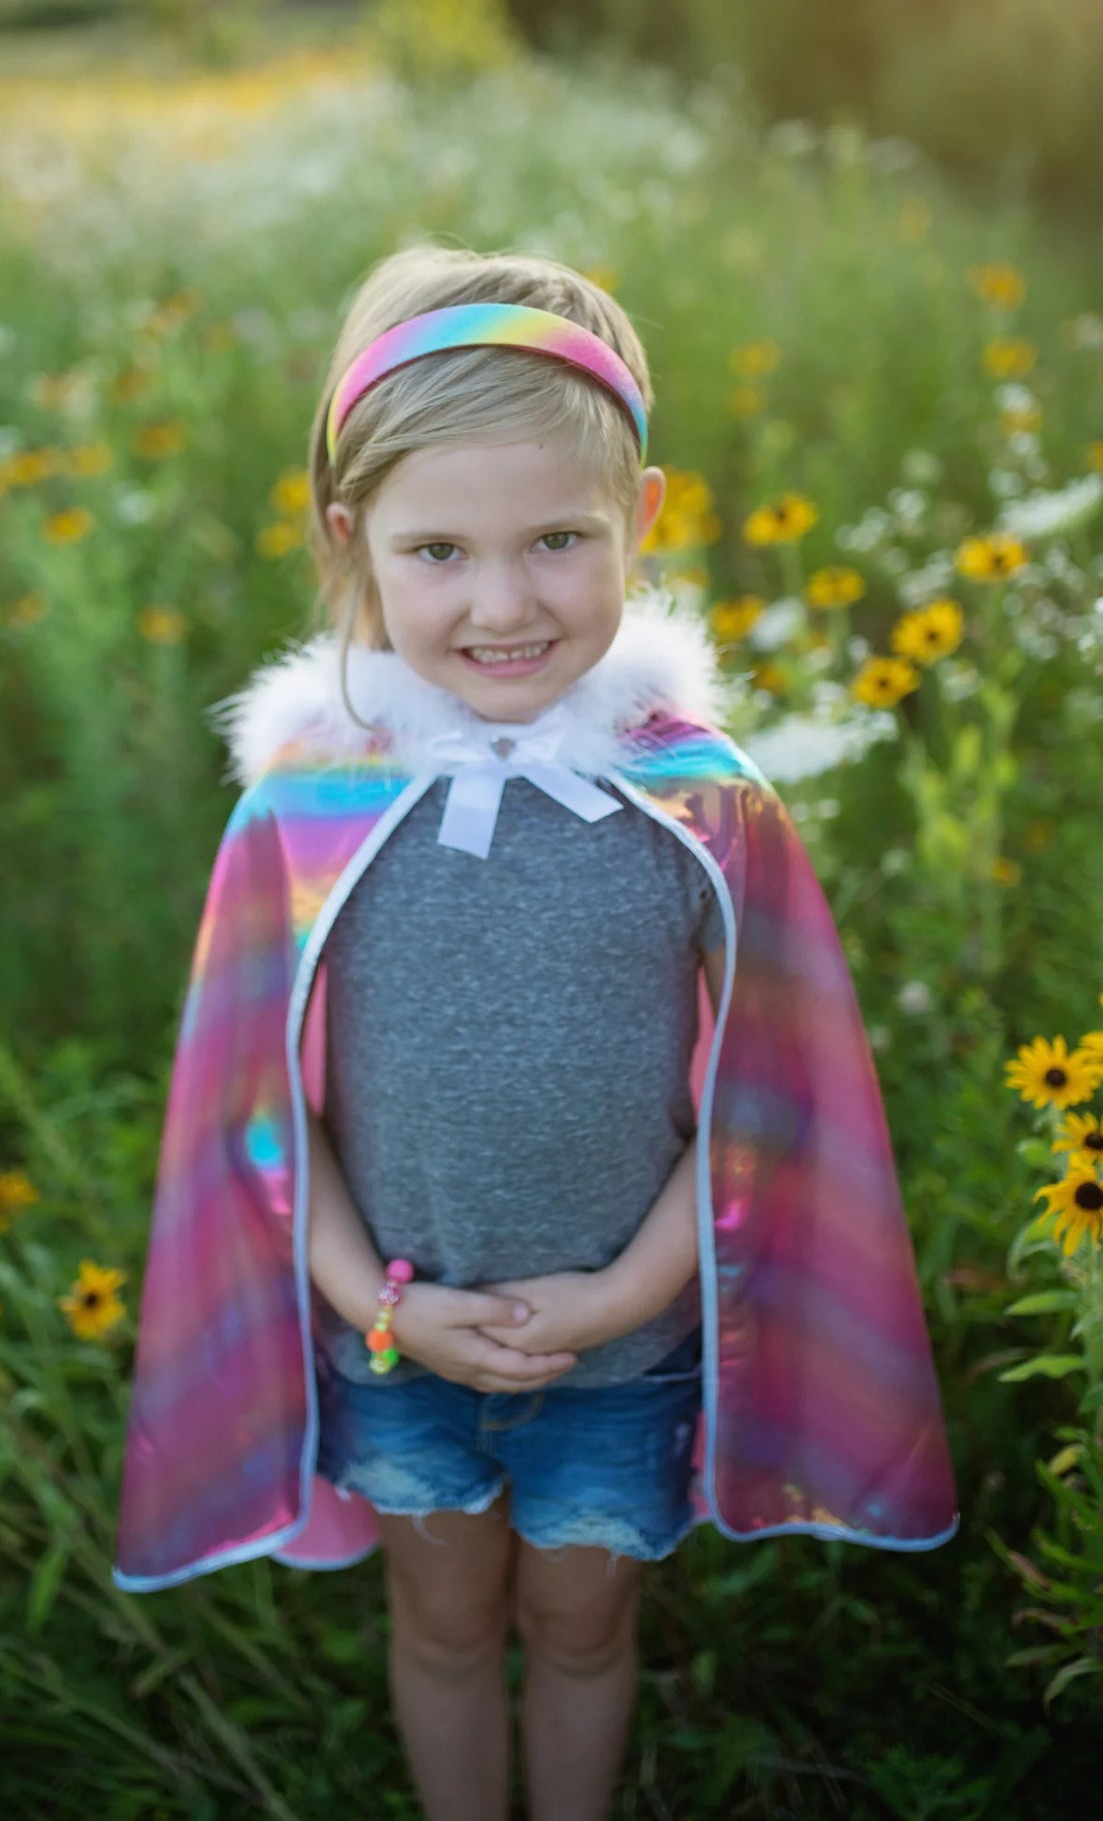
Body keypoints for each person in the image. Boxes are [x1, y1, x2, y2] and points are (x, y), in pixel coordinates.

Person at [113, 244, 958, 1821]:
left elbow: (771, 1092)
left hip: (624, 1342)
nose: (504, 604)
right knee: (441, 1623)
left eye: (557, 540)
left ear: (640, 515)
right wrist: (380, 1305)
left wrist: (625, 1294)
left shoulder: (702, 805)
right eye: (440, 550)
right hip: (403, 1337)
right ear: (353, 542)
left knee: (579, 1627)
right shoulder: (306, 808)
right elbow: (256, 1105)